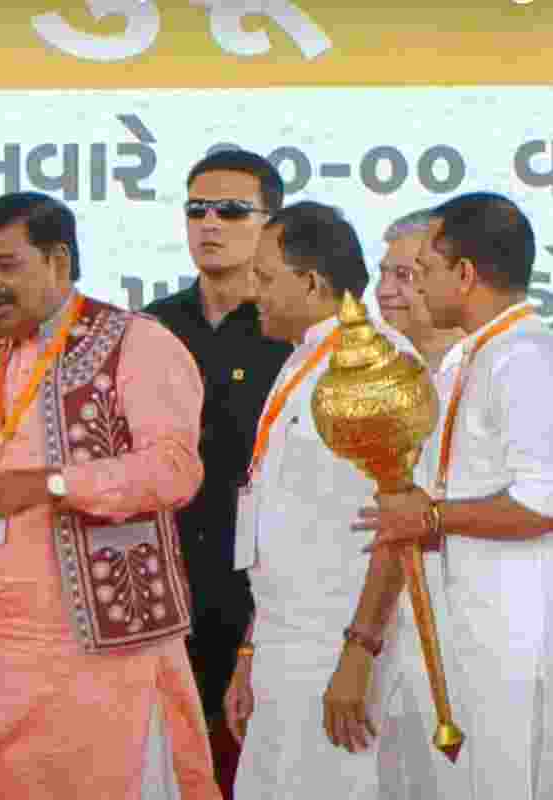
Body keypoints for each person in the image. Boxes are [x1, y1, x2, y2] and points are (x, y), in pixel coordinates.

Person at [0, 192, 219, 799]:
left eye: (7, 266)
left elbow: (174, 469)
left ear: (59, 262)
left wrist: (55, 483)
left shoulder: (135, 341)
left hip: (103, 637)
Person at [356, 192, 553, 799]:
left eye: (428, 271)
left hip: (506, 639)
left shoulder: (522, 358)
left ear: (464, 275)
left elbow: (543, 502)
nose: (417, 288)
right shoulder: (478, 356)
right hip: (460, 629)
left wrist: (430, 515)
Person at [221, 202, 416, 798]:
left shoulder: (373, 364)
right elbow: (282, 519)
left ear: (311, 281)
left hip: (343, 646)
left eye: (264, 276)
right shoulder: (303, 358)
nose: (252, 292)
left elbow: (402, 522)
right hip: (285, 641)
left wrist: (359, 653)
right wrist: (252, 647)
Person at [144, 150, 293, 764]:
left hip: (261, 595)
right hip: (161, 586)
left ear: (270, 225)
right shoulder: (150, 328)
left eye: (231, 211)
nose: (209, 224)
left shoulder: (290, 332)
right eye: (196, 209)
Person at [376, 210, 465, 372]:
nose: (383, 291)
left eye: (404, 275)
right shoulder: (373, 366)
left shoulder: (499, 362)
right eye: (382, 274)